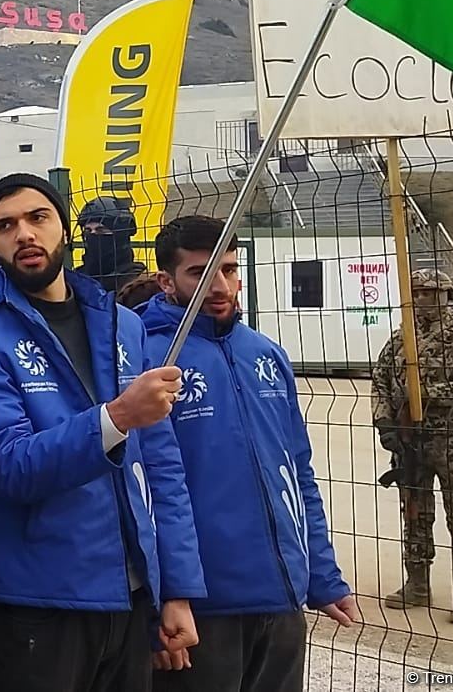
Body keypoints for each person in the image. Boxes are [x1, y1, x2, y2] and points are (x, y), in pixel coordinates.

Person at [0, 173, 204, 692]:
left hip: (128, 596)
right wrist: (118, 417)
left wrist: (175, 589)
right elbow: (10, 466)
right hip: (37, 602)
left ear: (64, 228)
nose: (24, 234)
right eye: (5, 225)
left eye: (38, 218)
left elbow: (162, 468)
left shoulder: (120, 325)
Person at [139, 216, 358, 691]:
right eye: (200, 273)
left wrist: (321, 574)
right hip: (201, 610)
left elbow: (296, 473)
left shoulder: (266, 354)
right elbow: (145, 493)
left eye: (230, 270)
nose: (220, 286)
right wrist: (162, 600)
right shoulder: (148, 359)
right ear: (166, 280)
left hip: (280, 601)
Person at [372, 267, 453, 625]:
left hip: (451, 441)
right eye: (418, 294)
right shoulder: (398, 341)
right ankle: (418, 581)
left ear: (447, 297)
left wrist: (424, 396)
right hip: (410, 443)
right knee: (415, 512)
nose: (423, 300)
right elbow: (379, 383)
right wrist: (385, 423)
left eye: (431, 293)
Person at [76, 196, 149, 293]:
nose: (93, 235)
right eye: (88, 231)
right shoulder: (77, 278)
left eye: (101, 230)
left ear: (120, 234)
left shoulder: (138, 284)